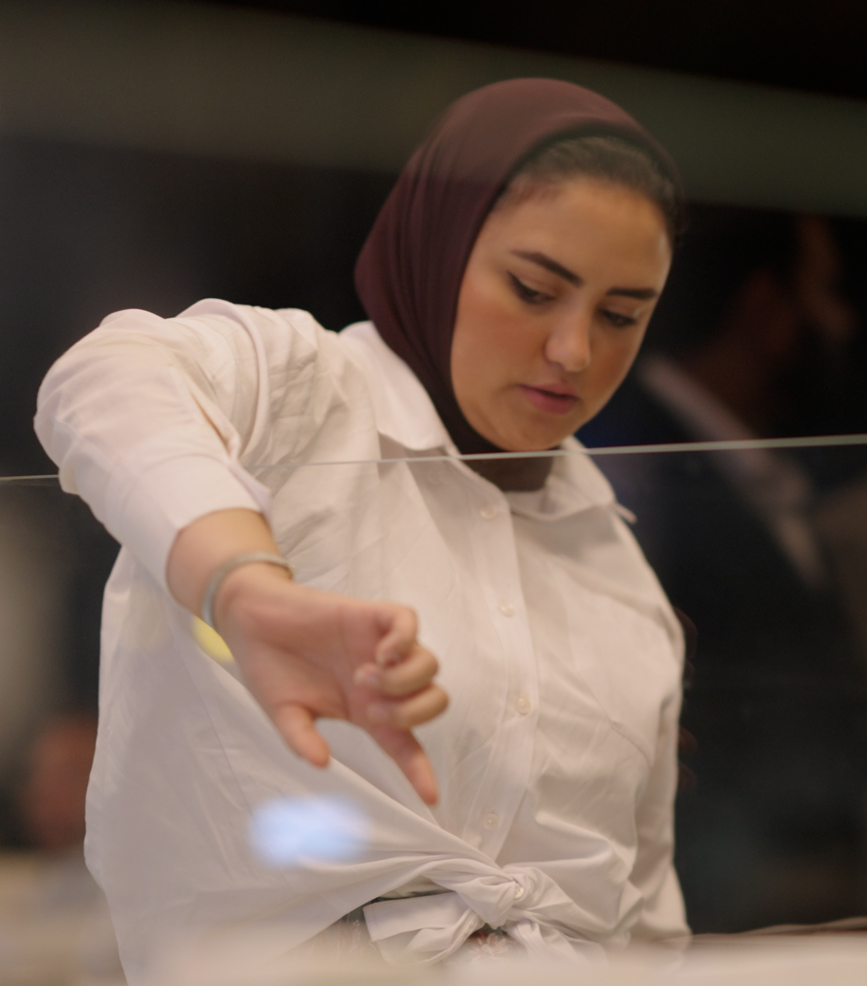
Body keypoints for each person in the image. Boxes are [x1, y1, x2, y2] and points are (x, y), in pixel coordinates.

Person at [35, 79, 689, 977]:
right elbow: (104, 377)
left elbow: (648, 923)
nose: (574, 350)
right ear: (441, 248)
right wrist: (243, 586)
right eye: (534, 290)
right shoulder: (304, 396)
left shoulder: (617, 567)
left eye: (622, 316)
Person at [585, 208, 867, 931]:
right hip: (711, 901)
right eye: (823, 292)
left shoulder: (742, 466)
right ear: (763, 306)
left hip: (787, 887)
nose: (841, 323)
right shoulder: (631, 460)